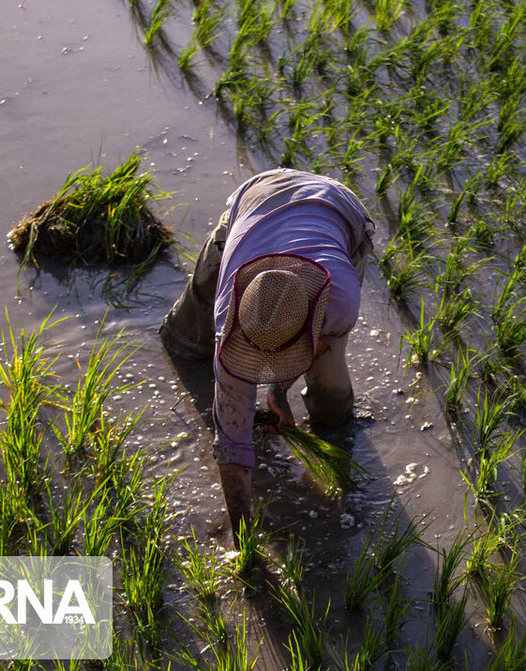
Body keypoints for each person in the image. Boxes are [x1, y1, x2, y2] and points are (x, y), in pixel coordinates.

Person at [159, 168, 373, 532]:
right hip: (259, 197)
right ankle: (184, 339)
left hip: (338, 207)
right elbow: (230, 442)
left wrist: (277, 389)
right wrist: (243, 541)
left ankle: (328, 415)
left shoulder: (339, 301)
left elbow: (312, 345)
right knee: (184, 339)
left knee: (332, 401)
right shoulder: (229, 314)